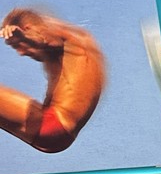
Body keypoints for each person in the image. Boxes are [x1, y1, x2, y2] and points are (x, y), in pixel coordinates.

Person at [0, 8, 105, 153]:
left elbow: (41, 40)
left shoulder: (60, 34)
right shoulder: (76, 46)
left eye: (17, 45)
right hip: (60, 134)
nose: (21, 53)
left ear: (28, 28)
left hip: (52, 124)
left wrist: (23, 37)